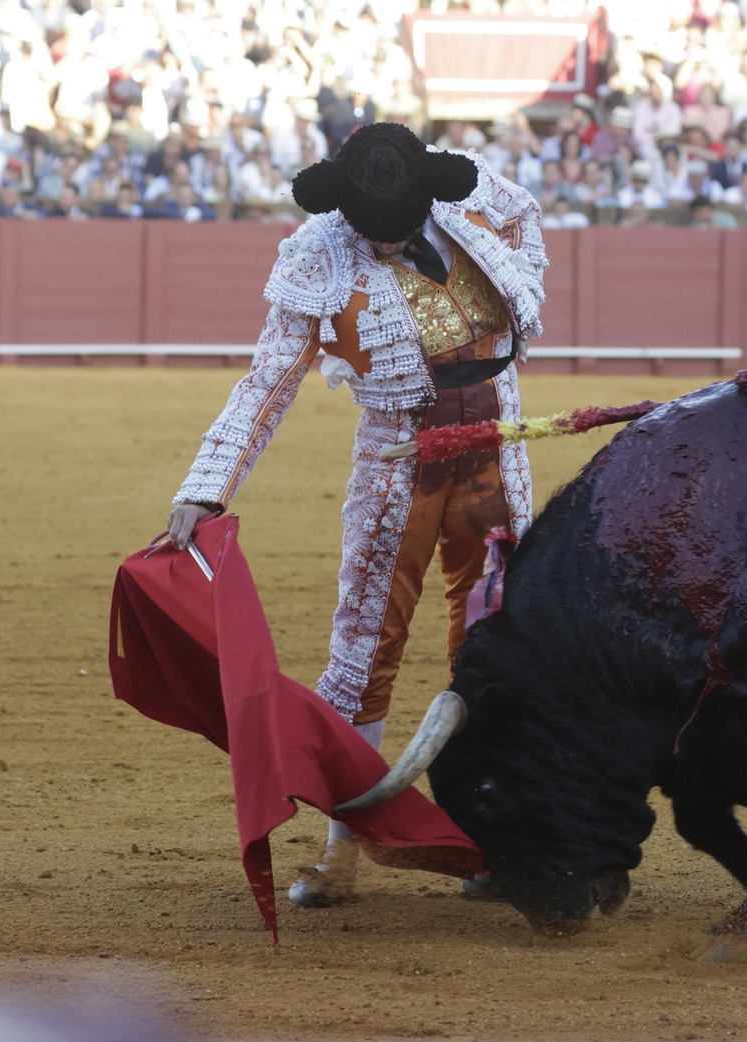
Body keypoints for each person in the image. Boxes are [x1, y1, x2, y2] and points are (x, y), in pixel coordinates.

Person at [163, 125, 547, 908]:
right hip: (397, 466)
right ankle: (341, 850)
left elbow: (526, 245)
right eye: (376, 234)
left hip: (495, 457)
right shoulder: (318, 254)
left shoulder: (479, 207)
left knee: (499, 648)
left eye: (399, 229)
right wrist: (206, 486)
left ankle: (497, 838)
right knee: (365, 648)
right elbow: (269, 379)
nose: (389, 244)